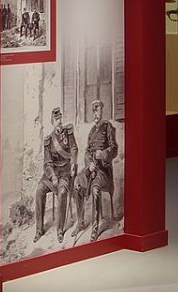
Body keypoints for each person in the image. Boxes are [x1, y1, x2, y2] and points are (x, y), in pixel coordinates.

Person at [75, 99, 119, 240]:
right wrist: (89, 164)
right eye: (93, 110)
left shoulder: (108, 127)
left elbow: (114, 149)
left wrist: (103, 153)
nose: (95, 112)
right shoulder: (91, 131)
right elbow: (87, 152)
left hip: (103, 170)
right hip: (92, 168)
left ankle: (95, 228)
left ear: (102, 110)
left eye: (97, 109)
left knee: (95, 189)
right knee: (77, 184)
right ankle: (80, 222)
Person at [34, 107, 78, 242]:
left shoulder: (68, 133)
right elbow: (47, 162)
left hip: (65, 172)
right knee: (39, 191)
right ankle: (39, 229)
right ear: (52, 122)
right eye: (56, 119)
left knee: (63, 192)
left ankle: (60, 230)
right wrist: (52, 176)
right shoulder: (48, 141)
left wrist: (74, 164)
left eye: (60, 118)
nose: (59, 121)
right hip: (51, 174)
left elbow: (74, 148)